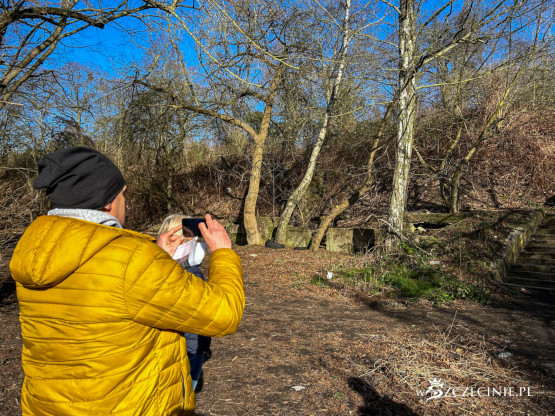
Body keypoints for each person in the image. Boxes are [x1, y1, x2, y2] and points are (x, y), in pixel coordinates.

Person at [9, 147, 244, 416]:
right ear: (107, 201)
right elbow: (224, 314)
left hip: (48, 406)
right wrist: (223, 253)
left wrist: (158, 258)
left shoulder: (34, 251)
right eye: (123, 194)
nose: (127, 204)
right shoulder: (132, 260)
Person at [157, 214, 212, 392]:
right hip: (190, 347)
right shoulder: (191, 275)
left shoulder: (155, 268)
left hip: (168, 347)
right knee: (184, 393)